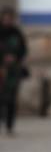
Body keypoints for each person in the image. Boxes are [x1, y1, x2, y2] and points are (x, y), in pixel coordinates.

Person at [0, 7, 28, 135]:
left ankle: (10, 126)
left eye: (10, 18)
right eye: (6, 17)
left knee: (11, 98)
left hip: (13, 71)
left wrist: (15, 58)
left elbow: (23, 50)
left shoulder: (17, 33)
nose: (8, 20)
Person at [0, 53, 22, 135]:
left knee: (10, 107)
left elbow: (17, 78)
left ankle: (9, 127)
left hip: (9, 91)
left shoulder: (14, 67)